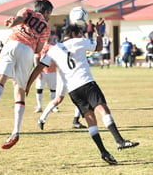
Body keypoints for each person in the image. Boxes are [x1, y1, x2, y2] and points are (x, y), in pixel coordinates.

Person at [26, 24, 139, 165]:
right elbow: (98, 48)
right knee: (103, 110)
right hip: (86, 82)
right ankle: (119, 141)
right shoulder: (79, 41)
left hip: (73, 90)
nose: (81, 35)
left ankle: (103, 151)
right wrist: (98, 34)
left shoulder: (53, 50)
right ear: (74, 33)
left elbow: (39, 67)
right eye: (79, 33)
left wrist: (28, 84)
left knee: (90, 119)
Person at [0, 0, 54, 149]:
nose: (49, 16)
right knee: (19, 90)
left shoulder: (27, 10)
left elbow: (20, 19)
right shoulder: (46, 26)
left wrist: (12, 23)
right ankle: (15, 131)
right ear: (45, 12)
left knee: (0, 79)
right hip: (28, 51)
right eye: (50, 13)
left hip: (12, 43)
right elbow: (38, 49)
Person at [34, 36, 58, 113]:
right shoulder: (40, 47)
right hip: (42, 71)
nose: (48, 38)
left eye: (48, 37)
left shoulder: (53, 47)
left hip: (52, 71)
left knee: (53, 89)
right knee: (39, 88)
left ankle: (53, 107)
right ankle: (39, 106)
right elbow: (36, 59)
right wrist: (38, 71)